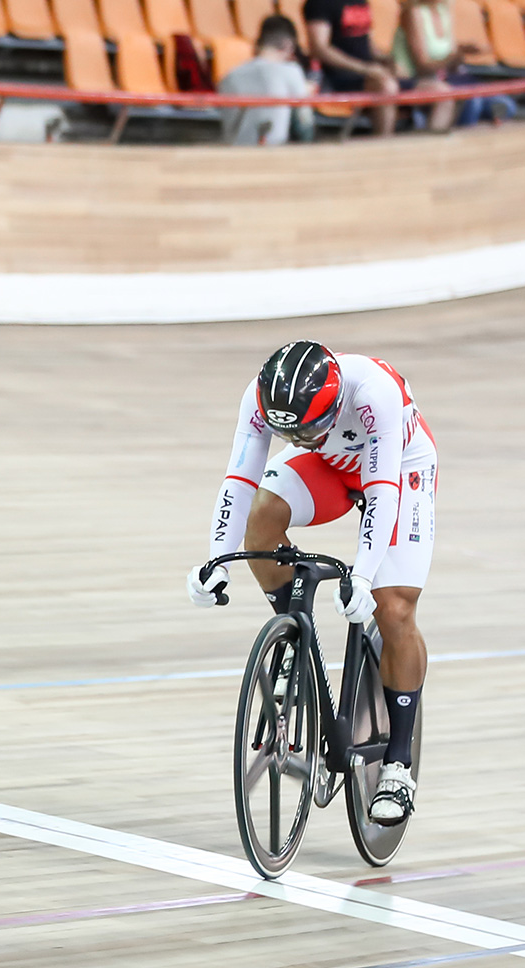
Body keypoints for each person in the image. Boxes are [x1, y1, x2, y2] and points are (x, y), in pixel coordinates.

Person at [186, 343, 437, 824]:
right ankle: (293, 641)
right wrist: (217, 560)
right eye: (290, 433)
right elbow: (240, 479)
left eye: (306, 430)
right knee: (263, 517)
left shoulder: (373, 393)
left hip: (400, 468)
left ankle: (398, 766)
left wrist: (363, 575)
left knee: (393, 609)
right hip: (333, 465)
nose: (298, 440)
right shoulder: (261, 397)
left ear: (334, 403)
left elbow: (382, 490)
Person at [301, 0, 397, 136]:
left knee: (434, 89)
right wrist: (365, 68)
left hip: (369, 73)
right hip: (337, 79)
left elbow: (367, 43)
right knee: (386, 85)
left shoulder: (361, 2)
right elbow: (319, 48)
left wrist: (388, 61)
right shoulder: (319, 3)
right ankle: (384, 146)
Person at [217, 15, 315, 145]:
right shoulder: (291, 71)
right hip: (274, 155)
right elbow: (305, 125)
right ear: (288, 45)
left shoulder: (229, 76)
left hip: (235, 153)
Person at [394, 0, 480, 132]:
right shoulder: (413, 13)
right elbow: (422, 67)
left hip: (436, 78)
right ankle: (434, 145)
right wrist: (455, 56)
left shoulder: (444, 10)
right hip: (410, 79)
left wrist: (462, 54)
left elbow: (449, 61)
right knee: (461, 99)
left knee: (498, 103)